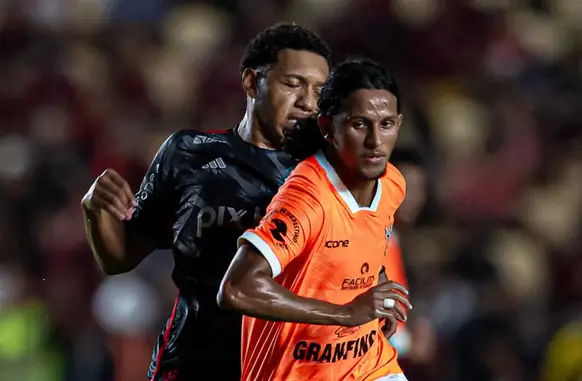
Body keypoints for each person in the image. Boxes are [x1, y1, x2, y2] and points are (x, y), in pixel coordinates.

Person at [81, 23, 332, 380]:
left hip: (288, 367)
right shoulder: (187, 153)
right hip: (191, 363)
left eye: (319, 91)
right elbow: (120, 257)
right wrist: (94, 210)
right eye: (292, 84)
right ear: (251, 82)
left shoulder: (328, 173)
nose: (307, 102)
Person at [218, 59, 413, 381]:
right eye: (360, 124)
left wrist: (377, 288)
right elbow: (237, 288)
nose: (375, 141)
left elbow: (359, 249)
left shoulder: (392, 183)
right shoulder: (308, 198)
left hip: (368, 365)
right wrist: (346, 313)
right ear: (327, 128)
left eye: (387, 124)